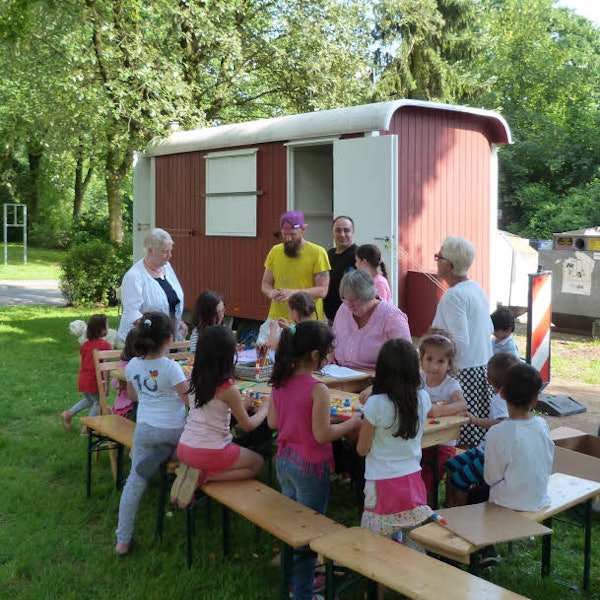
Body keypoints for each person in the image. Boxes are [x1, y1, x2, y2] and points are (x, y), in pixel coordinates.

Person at [267, 320, 362, 600]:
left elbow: (273, 422)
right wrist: (351, 423)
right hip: (310, 467)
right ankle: (304, 593)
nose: (330, 357)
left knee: (293, 526)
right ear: (314, 354)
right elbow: (322, 435)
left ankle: (291, 583)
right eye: (328, 352)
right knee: (309, 534)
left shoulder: (280, 381)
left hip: (284, 461)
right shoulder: (317, 388)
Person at [357, 339, 432, 600]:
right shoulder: (423, 398)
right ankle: (419, 588)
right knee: (414, 543)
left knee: (376, 549)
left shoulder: (376, 404)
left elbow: (362, 449)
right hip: (412, 482)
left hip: (382, 486)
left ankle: (374, 595)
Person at [114, 311, 189, 556]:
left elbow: (133, 396)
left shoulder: (133, 365)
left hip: (145, 430)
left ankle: (122, 541)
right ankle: (169, 452)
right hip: (174, 431)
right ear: (169, 338)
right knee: (190, 447)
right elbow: (189, 401)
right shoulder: (171, 368)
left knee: (134, 481)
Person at [170, 325, 269, 508]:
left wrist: (244, 406)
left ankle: (196, 470)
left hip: (184, 447)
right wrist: (265, 408)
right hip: (209, 451)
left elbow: (213, 411)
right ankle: (204, 476)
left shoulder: (194, 379)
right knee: (258, 463)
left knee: (239, 456)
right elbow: (247, 425)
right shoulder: (227, 388)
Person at [431, 236, 493, 448]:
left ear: (449, 265)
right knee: (475, 440)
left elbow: (459, 343)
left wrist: (434, 363)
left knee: (457, 439)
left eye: (439, 257)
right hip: (480, 370)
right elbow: (489, 328)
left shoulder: (454, 296)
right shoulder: (476, 288)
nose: (437, 261)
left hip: (463, 374)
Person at [444, 352, 520, 508]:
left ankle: (461, 512)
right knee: (451, 465)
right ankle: (450, 505)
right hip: (484, 449)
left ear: (489, 379)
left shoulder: (500, 399)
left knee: (459, 479)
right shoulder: (507, 398)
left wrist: (476, 420)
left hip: (492, 455)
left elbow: (502, 423)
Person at [485, 362, 554, 511]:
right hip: (539, 497)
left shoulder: (497, 432)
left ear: (502, 394)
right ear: (535, 400)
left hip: (506, 501)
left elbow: (491, 478)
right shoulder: (542, 425)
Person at [417, 329, 467, 506]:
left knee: (428, 480)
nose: (434, 366)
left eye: (440, 361)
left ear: (449, 364)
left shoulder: (450, 385)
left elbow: (462, 405)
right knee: (416, 475)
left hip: (443, 444)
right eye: (429, 359)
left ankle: (428, 513)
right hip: (420, 440)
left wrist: (440, 410)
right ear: (421, 359)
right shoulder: (419, 379)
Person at [332, 269, 411, 371]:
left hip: (377, 376)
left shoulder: (392, 317)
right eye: (345, 299)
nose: (349, 305)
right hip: (339, 373)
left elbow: (406, 357)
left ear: (367, 296)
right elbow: (332, 340)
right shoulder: (344, 309)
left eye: (353, 300)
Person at [118, 228, 187, 343]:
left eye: (170, 251)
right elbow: (133, 315)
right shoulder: (134, 277)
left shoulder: (167, 268)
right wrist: (157, 336)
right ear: (150, 250)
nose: (169, 255)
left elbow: (172, 300)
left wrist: (177, 321)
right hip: (144, 341)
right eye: (165, 252)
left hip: (168, 336)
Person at [261, 210, 330, 322]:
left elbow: (322, 291)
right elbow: (265, 284)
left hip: (306, 319)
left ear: (303, 229)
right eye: (285, 234)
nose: (288, 238)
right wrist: (271, 292)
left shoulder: (318, 253)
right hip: (277, 318)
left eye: (292, 234)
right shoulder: (275, 251)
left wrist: (293, 293)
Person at [61, 314, 112, 431]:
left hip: (83, 378)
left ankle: (68, 414)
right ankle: (88, 426)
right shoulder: (105, 346)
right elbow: (105, 368)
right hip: (94, 380)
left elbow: (82, 362)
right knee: (98, 402)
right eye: (107, 326)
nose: (108, 329)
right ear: (101, 329)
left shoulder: (85, 344)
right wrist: (106, 385)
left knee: (89, 400)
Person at [323, 216, 357, 323]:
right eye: (338, 230)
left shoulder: (359, 256)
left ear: (353, 232)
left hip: (352, 319)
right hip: (331, 318)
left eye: (346, 230)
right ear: (333, 233)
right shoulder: (328, 255)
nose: (342, 234)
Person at [110, 328, 138, 420]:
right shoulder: (125, 363)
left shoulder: (147, 362)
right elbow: (114, 383)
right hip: (127, 404)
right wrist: (120, 381)